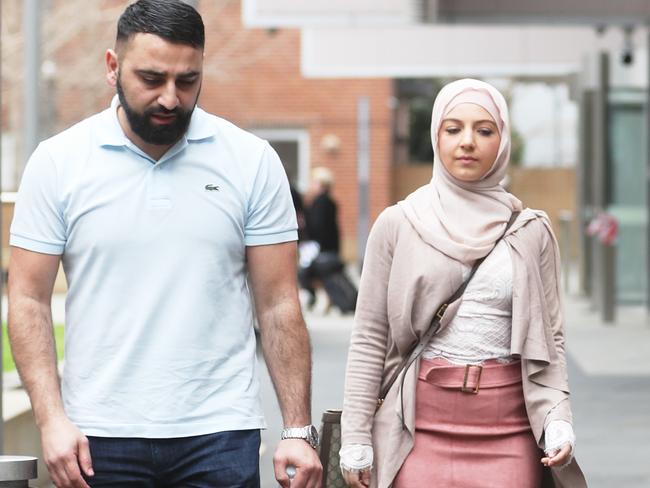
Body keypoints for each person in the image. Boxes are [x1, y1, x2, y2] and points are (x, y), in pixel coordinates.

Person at [7, 1, 321, 487]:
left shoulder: (251, 161)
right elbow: (27, 300)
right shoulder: (58, 163)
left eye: (187, 80)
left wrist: (297, 428)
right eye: (151, 79)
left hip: (220, 432)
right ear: (112, 67)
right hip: (97, 434)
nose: (170, 98)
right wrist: (51, 419)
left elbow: (279, 304)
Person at [339, 79, 587, 488]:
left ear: (502, 140)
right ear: (436, 136)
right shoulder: (398, 224)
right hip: (415, 429)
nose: (467, 142)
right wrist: (355, 436)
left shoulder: (530, 230)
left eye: (484, 130)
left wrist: (558, 419)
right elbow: (368, 337)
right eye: (453, 129)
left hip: (509, 430)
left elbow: (551, 339)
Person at [298, 167, 341, 307]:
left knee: (304, 272)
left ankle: (312, 296)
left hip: (319, 247)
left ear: (321, 184)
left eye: (314, 182)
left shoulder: (320, 202)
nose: (311, 185)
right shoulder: (328, 201)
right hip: (327, 247)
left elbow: (317, 226)